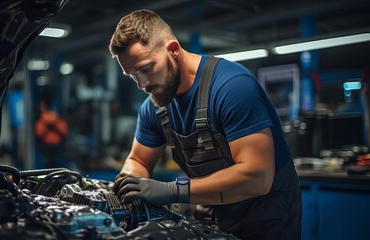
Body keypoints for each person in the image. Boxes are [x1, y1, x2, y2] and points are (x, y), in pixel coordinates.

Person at [108, 9, 302, 239]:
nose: (141, 84)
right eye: (132, 75)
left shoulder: (232, 88)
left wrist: (172, 191)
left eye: (145, 69)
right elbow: (138, 159)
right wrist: (128, 185)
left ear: (173, 49)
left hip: (267, 219)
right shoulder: (154, 106)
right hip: (215, 215)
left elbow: (257, 177)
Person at [35, 101, 69, 168]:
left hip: (46, 147)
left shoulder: (41, 121)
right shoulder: (58, 119)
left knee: (46, 166)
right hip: (58, 146)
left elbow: (38, 135)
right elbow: (65, 133)